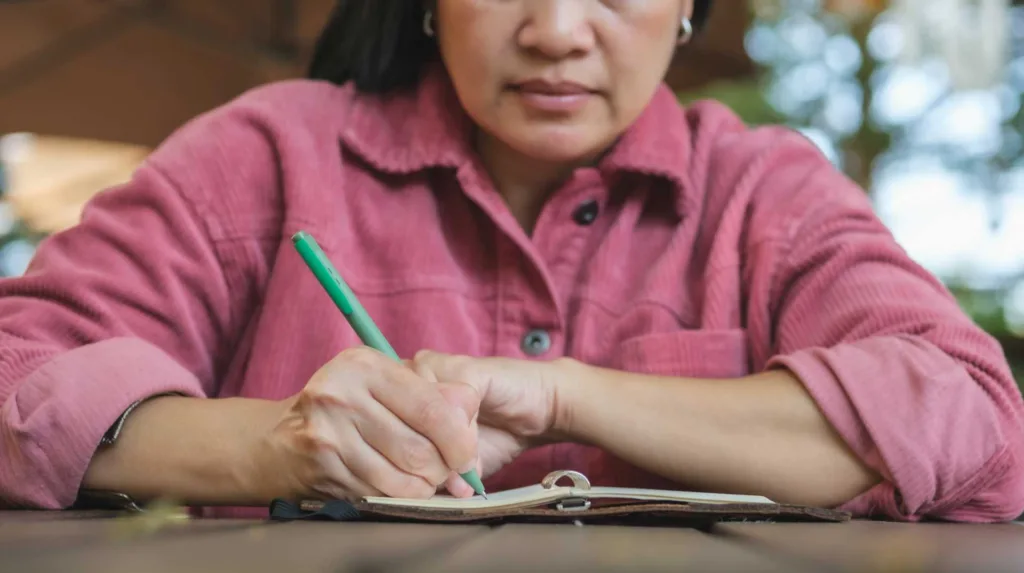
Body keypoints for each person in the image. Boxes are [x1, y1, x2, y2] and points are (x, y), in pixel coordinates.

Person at [1, 0, 1022, 523]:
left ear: (686, 8)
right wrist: (274, 445)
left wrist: (562, 396)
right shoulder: (267, 156)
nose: (556, 30)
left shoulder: (764, 192)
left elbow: (973, 427)